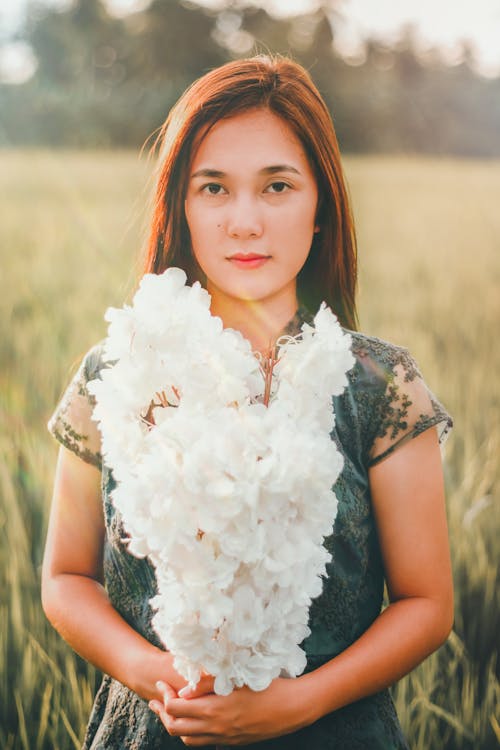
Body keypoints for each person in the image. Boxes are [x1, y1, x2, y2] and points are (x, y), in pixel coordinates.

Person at [43, 55, 453, 749]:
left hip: (333, 733)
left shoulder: (382, 387)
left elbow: (427, 603)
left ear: (321, 205)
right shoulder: (112, 375)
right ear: (181, 205)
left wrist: (299, 703)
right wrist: (151, 671)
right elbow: (64, 577)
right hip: (153, 729)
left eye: (277, 186)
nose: (243, 221)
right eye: (214, 188)